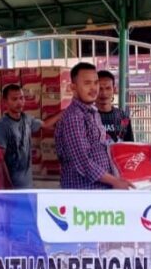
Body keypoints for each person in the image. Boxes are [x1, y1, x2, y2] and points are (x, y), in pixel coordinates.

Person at [55, 62, 131, 190]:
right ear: (73, 87)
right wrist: (115, 181)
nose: (94, 88)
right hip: (84, 192)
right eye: (87, 83)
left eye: (96, 83)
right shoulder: (74, 117)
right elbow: (83, 162)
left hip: (99, 190)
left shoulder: (92, 113)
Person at [0, 84, 63, 189]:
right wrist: (6, 185)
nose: (19, 102)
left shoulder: (27, 119)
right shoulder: (2, 126)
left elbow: (45, 124)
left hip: (27, 185)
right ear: (5, 102)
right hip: (11, 187)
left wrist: (62, 114)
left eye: (21, 98)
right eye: (14, 99)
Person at [96, 70, 134, 142]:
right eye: (100, 89)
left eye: (108, 88)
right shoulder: (87, 117)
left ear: (114, 89)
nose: (104, 93)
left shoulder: (123, 116)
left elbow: (130, 144)